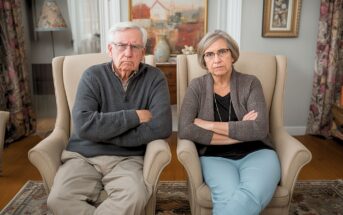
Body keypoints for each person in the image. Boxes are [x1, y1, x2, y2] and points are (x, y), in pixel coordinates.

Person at [47, 22, 172, 215]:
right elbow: (83, 125)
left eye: (135, 46)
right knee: (58, 200)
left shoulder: (155, 78)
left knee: (135, 196)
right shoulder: (92, 76)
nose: (128, 53)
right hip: (83, 157)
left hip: (128, 158)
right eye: (121, 45)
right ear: (110, 49)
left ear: (142, 51)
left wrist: (101, 132)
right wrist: (135, 116)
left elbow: (162, 127)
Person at [178, 30, 281, 215]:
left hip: (257, 152)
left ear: (232, 55)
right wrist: (240, 131)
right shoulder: (197, 86)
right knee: (226, 198)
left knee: (249, 195)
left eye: (222, 52)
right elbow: (185, 129)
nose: (216, 59)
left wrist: (208, 125)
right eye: (209, 54)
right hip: (214, 157)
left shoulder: (250, 83)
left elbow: (259, 128)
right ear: (204, 61)